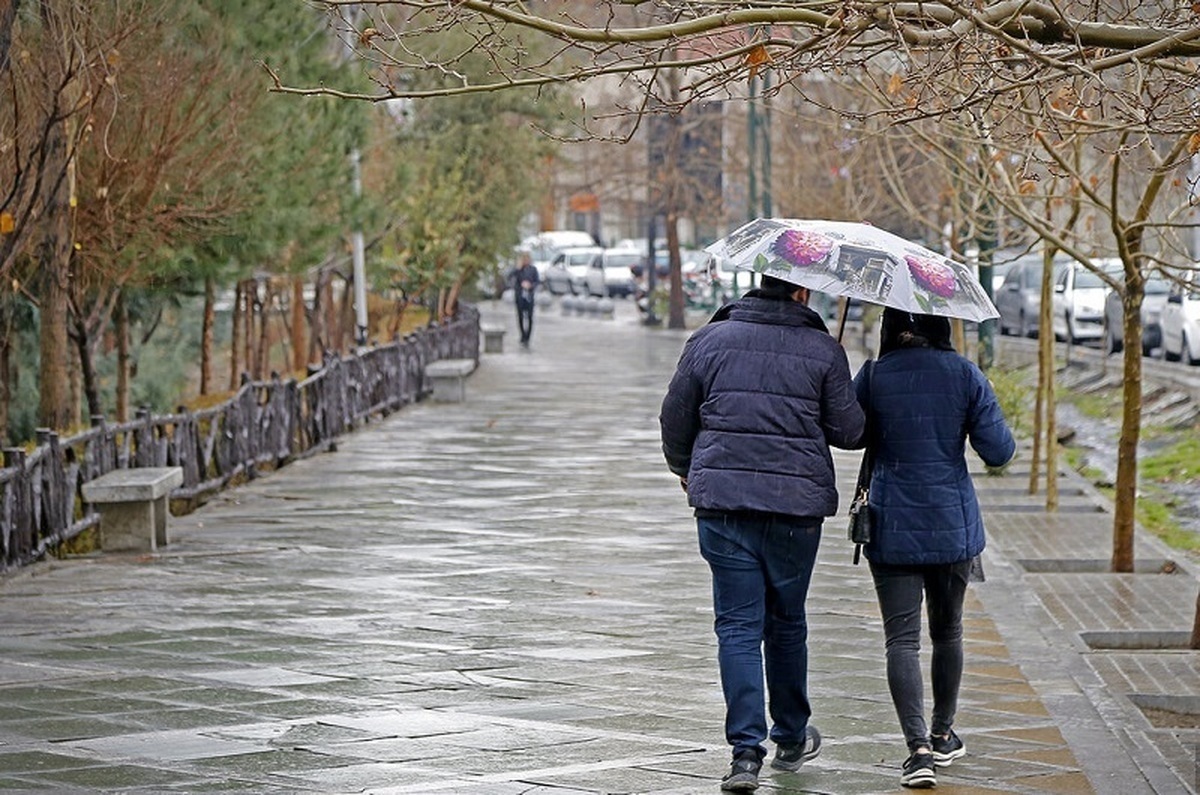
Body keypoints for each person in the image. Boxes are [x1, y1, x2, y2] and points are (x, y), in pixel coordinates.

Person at [659, 275, 866, 792]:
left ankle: (745, 753)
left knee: (736, 626)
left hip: (723, 505)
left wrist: (686, 467)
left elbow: (674, 416)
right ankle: (792, 735)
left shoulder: (709, 340)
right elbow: (849, 432)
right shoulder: (823, 349)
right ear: (803, 293)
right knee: (787, 622)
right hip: (795, 513)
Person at [853, 308, 1015, 789]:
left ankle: (917, 749)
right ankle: (944, 733)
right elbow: (999, 452)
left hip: (892, 525)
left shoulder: (875, 374)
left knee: (900, 639)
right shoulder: (965, 374)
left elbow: (848, 434)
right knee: (948, 633)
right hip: (951, 525)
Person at [508, 249, 539, 347]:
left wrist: (531, 286)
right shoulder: (518, 270)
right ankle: (522, 335)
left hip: (529, 295)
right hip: (520, 295)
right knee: (520, 316)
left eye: (527, 259)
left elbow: (537, 281)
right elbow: (510, 277)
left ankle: (528, 336)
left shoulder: (533, 269)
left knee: (530, 316)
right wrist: (518, 268)